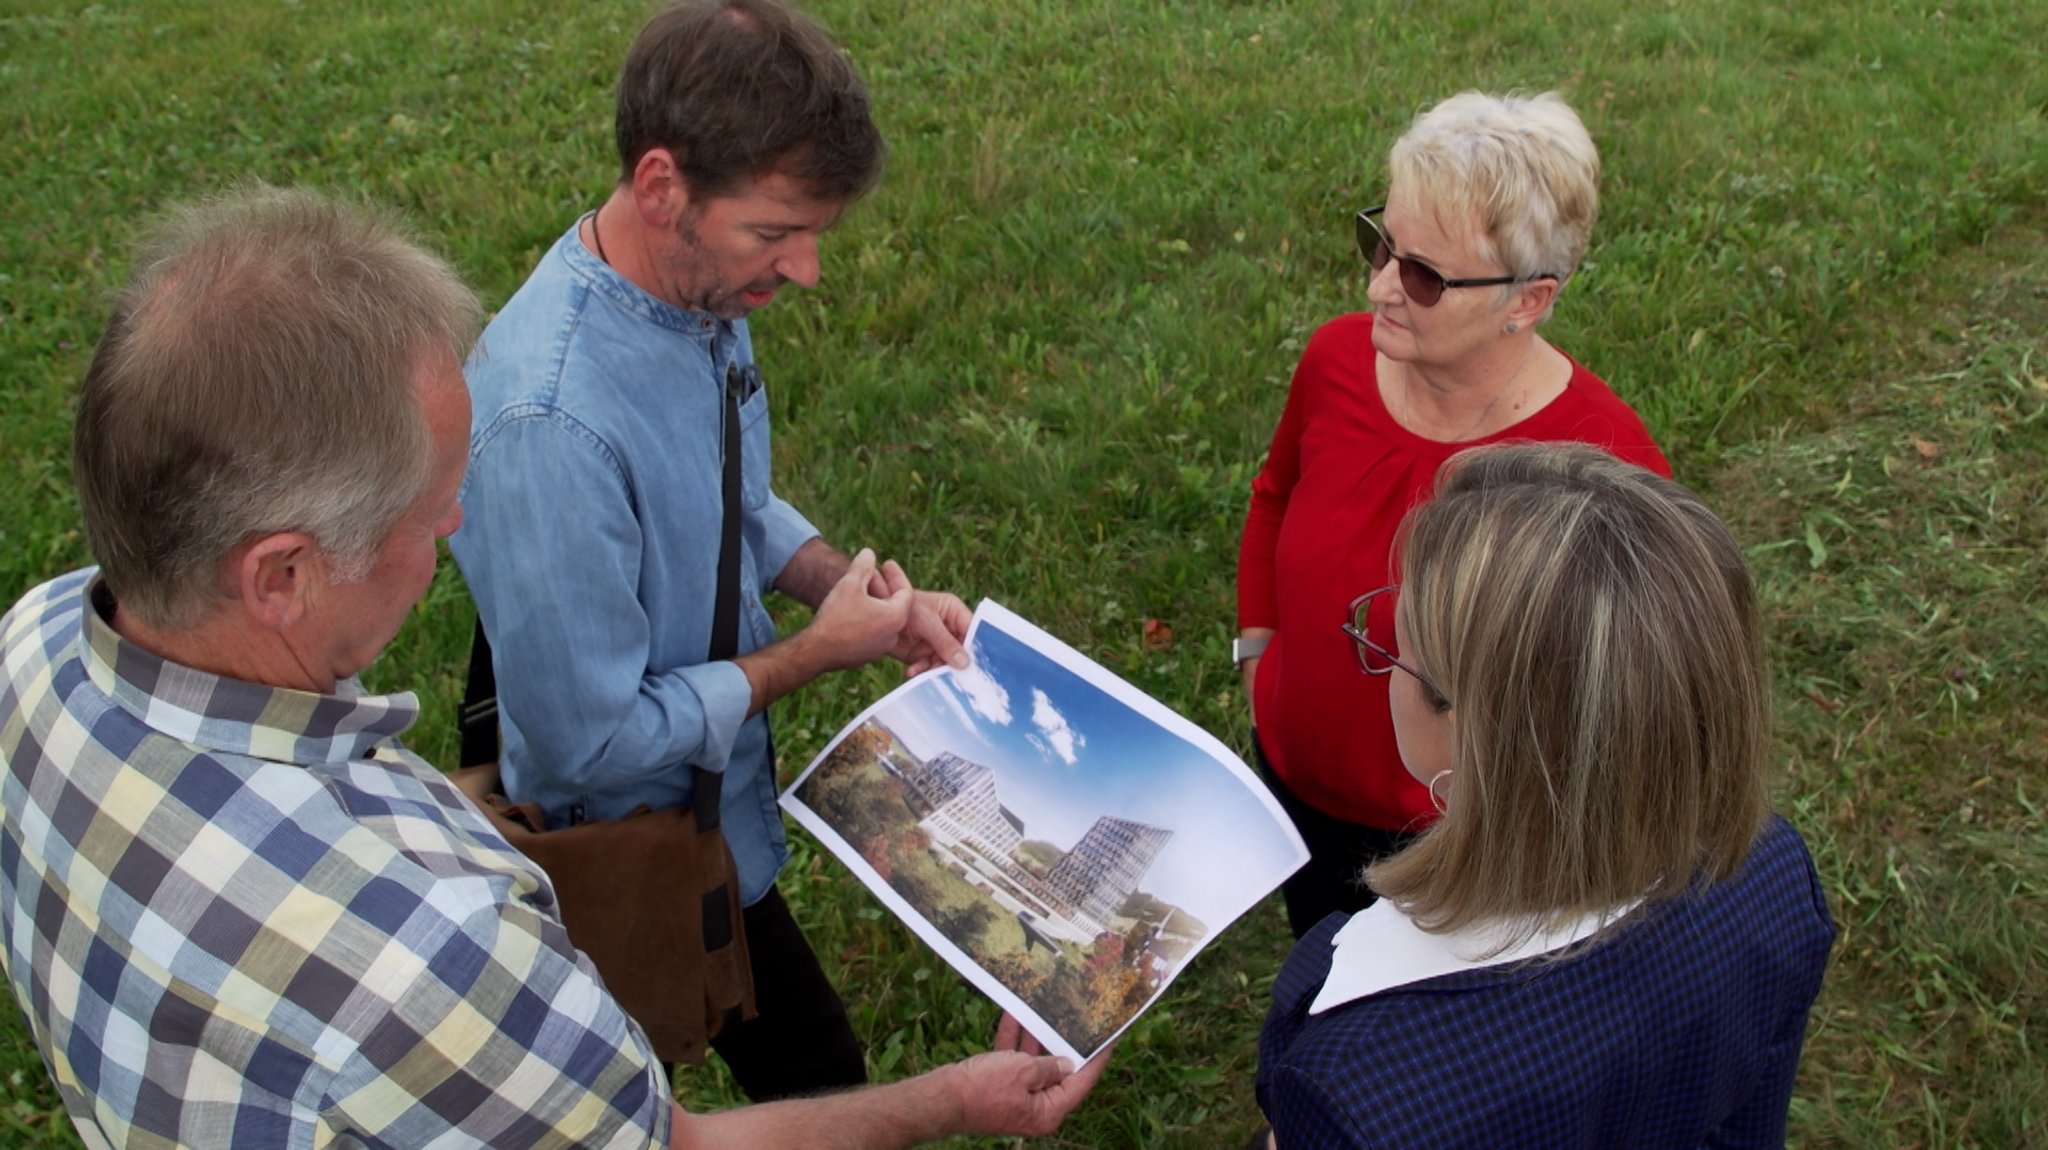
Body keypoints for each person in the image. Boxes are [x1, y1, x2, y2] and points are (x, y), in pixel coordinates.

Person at [0, 186, 1105, 1149]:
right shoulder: (434, 947)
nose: (459, 524)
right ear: (281, 576)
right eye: (429, 512)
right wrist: (952, 1101)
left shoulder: (33, 643)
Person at [448, 0, 970, 1099]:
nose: (807, 270)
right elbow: (591, 744)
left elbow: (723, 493)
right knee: (703, 1095)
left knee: (812, 1074)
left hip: (715, 814)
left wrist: (852, 590)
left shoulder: (689, 288)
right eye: (776, 233)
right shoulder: (550, 425)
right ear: (660, 187)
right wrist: (809, 656)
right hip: (628, 847)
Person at [1255, 442, 1835, 1148]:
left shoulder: (1358, 1081)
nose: (1383, 664)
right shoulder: (1775, 873)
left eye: (1393, 647)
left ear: (1469, 727)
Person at [1236, 91, 1674, 938]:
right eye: (1382, 244)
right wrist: (1258, 656)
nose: (1380, 288)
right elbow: (1274, 496)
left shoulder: (1601, 466)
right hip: (1295, 784)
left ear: (1528, 300)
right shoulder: (1336, 360)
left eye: (1425, 277)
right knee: (1317, 958)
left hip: (1454, 851)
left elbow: (1614, 712)